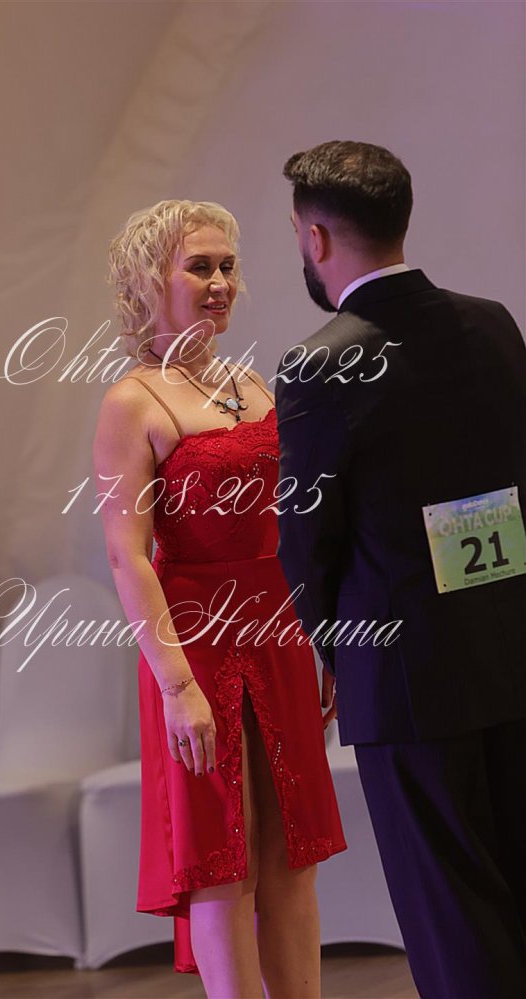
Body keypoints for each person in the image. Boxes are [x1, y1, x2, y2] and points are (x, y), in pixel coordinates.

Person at [275, 140, 526, 998]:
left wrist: (331, 651)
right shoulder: (493, 323)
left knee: (452, 914)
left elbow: (306, 537)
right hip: (511, 649)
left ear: (314, 238)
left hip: (406, 677)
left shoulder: (321, 363)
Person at [94, 199, 346, 998]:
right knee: (222, 860)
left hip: (278, 626)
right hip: (195, 641)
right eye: (199, 267)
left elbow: (292, 525)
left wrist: (324, 636)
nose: (219, 282)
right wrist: (176, 685)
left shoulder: (251, 382)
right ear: (149, 281)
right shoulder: (132, 401)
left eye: (227, 266)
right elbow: (126, 554)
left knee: (293, 851)